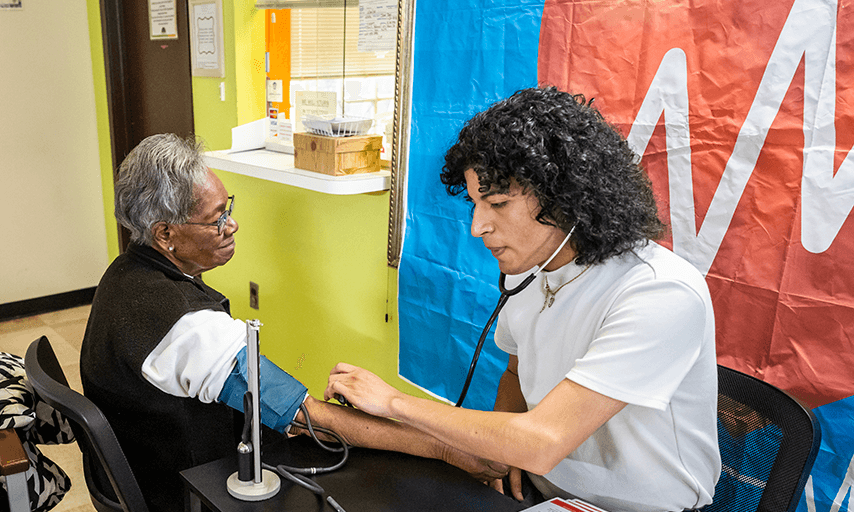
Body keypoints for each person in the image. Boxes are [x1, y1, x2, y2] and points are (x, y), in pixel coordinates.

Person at [324, 87, 722, 512]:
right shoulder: (535, 269)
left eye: (497, 203)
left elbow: (545, 439)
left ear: (565, 195)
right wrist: (506, 453)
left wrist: (393, 402)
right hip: (545, 491)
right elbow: (517, 370)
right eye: (476, 204)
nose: (478, 227)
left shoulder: (658, 290)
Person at [79, 133, 504, 512]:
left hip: (153, 458)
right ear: (165, 234)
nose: (233, 224)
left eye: (228, 207)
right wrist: (445, 449)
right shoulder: (184, 326)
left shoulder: (125, 273)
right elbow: (304, 415)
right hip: (182, 486)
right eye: (216, 219)